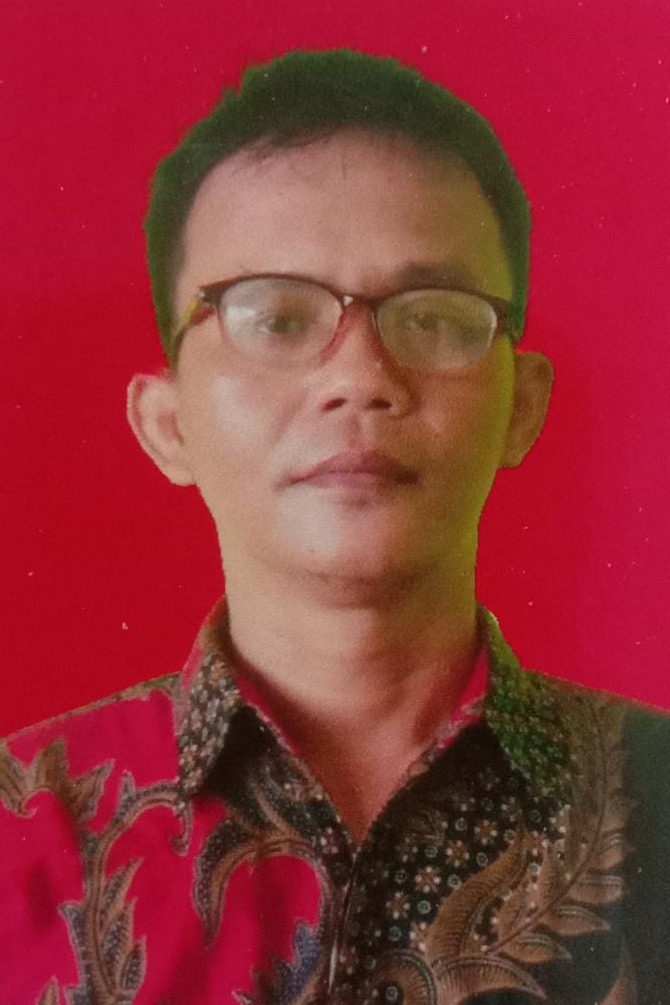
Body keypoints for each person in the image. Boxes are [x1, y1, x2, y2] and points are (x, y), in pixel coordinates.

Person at [1, 49, 669, 1005]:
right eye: (276, 318)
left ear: (522, 405)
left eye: (432, 318)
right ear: (167, 422)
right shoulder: (20, 828)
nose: (359, 377)